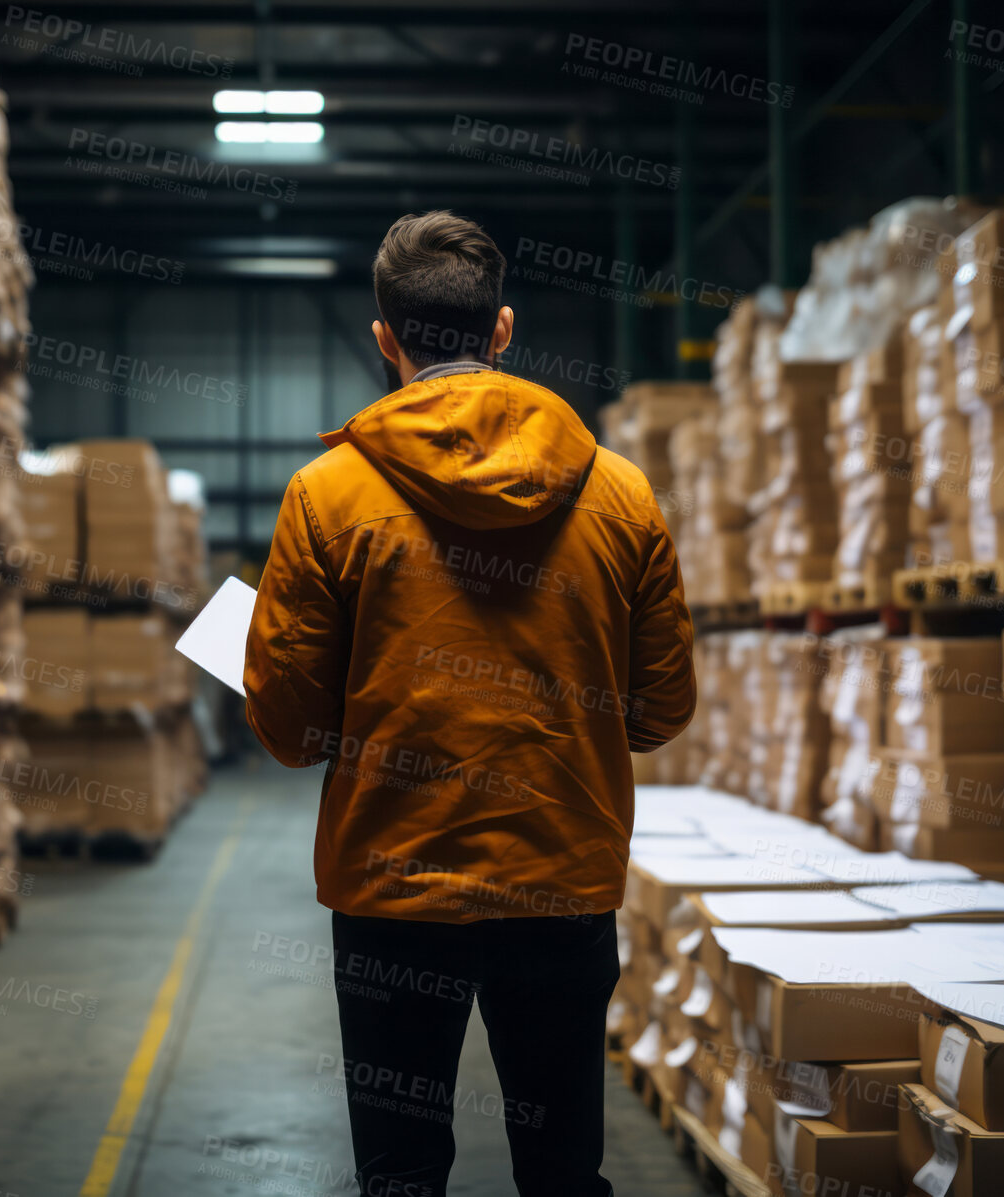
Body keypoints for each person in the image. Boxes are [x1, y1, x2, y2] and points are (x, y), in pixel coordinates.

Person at [243, 209, 696, 1197]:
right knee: (562, 1169)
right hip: (561, 879)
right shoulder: (621, 495)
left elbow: (286, 730)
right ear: (500, 331)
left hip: (391, 887)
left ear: (385, 339)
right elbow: (661, 712)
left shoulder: (325, 499)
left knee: (401, 1174)